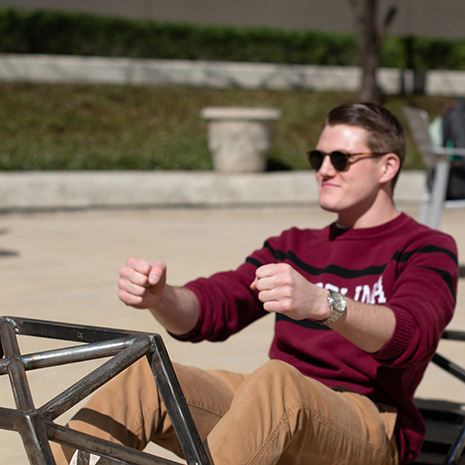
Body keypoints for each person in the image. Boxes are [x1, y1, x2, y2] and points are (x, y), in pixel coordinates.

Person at [52, 102, 458, 465]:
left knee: (278, 381)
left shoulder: (426, 247)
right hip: (276, 406)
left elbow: (414, 336)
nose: (324, 169)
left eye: (340, 158)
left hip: (371, 423)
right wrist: (161, 297)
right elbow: (213, 310)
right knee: (146, 377)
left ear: (387, 166)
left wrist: (324, 304)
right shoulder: (294, 244)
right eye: (318, 157)